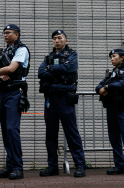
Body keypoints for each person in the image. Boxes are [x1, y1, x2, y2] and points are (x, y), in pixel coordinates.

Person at [38, 30, 86, 177]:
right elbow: (40, 73)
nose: (56, 41)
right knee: (51, 135)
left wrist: (51, 69)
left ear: (66, 40)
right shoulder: (48, 57)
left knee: (72, 133)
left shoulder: (72, 55)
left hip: (65, 99)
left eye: (59, 38)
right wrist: (57, 70)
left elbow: (70, 67)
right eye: (54, 38)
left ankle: (80, 166)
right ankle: (52, 166)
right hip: (51, 99)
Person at [0, 24, 30, 180]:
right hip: (3, 92)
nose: (5, 35)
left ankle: (18, 167)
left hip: (14, 92)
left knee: (12, 129)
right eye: (4, 33)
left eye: (8, 33)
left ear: (16, 35)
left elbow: (12, 69)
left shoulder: (22, 50)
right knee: (6, 131)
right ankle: (10, 165)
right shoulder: (4, 51)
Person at [95, 49, 124, 177]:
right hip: (111, 108)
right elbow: (98, 86)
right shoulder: (111, 73)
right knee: (114, 137)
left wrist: (107, 87)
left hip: (123, 108)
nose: (111, 59)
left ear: (122, 58)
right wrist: (101, 89)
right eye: (111, 57)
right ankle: (119, 166)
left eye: (114, 56)